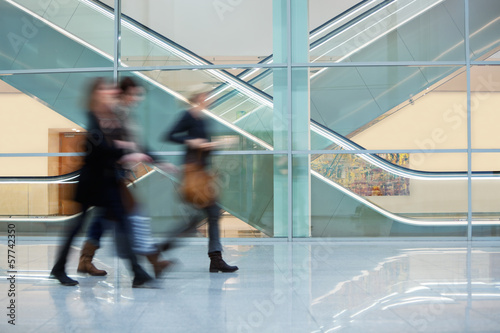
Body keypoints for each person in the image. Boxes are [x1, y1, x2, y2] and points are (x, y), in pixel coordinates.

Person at [50, 78, 154, 287]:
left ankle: (137, 272)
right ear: (96, 93)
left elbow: (115, 143)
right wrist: (126, 152)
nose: (110, 90)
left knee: (122, 222)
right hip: (92, 181)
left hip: (108, 180)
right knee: (77, 226)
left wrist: (127, 150)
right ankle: (59, 268)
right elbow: (98, 148)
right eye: (105, 88)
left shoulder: (111, 115)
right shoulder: (94, 115)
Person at [76, 77, 172, 279]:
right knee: (133, 215)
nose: (137, 99)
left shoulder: (126, 114)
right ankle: (150, 262)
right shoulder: (116, 113)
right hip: (113, 172)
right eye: (134, 94)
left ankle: (87, 260)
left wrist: (159, 161)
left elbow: (139, 144)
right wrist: (128, 154)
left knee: (107, 218)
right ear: (124, 93)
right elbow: (113, 143)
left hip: (118, 172)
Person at [167, 91, 238, 273]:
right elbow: (170, 135)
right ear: (197, 98)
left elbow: (205, 148)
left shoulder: (203, 119)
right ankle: (164, 247)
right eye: (205, 96)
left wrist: (214, 145)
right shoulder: (188, 115)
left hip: (203, 173)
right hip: (194, 175)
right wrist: (192, 141)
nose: (208, 98)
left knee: (207, 214)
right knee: (209, 214)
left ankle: (214, 258)